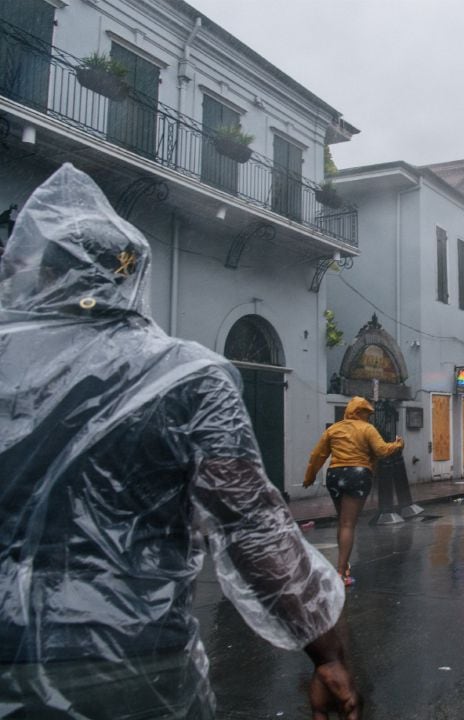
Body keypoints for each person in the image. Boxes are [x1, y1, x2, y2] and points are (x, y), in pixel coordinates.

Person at [0, 164, 359, 719]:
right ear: (132, 278)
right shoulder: (188, 377)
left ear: (41, 272)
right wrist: (327, 653)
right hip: (137, 661)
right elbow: (253, 529)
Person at [304, 396, 403, 586]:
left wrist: (309, 477)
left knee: (342, 522)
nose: (369, 417)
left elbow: (318, 455)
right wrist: (398, 445)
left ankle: (344, 565)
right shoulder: (366, 429)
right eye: (366, 413)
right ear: (357, 412)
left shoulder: (333, 429)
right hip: (357, 474)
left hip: (334, 475)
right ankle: (341, 573)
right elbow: (382, 451)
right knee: (348, 524)